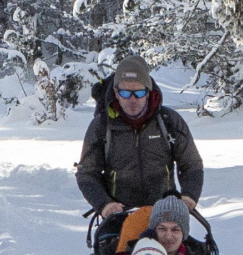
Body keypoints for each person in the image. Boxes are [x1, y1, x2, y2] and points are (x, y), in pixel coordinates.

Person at [76, 55, 204, 219]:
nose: (132, 99)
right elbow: (87, 172)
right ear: (116, 92)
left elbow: (191, 163)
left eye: (139, 92)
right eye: (125, 93)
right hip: (119, 215)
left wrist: (189, 196)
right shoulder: (102, 126)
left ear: (148, 92)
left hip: (164, 215)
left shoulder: (169, 121)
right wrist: (104, 204)